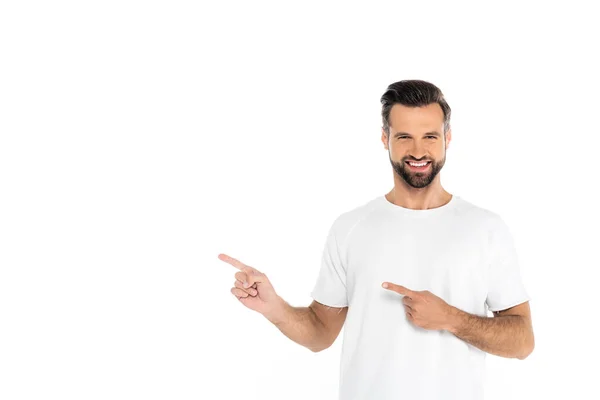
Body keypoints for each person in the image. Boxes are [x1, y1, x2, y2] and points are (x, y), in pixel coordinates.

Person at [218, 79, 535, 400]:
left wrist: (452, 319)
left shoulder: (485, 229)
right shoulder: (351, 227)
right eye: (403, 137)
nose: (417, 151)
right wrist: (273, 307)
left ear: (447, 138)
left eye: (430, 136)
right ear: (385, 138)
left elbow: (522, 340)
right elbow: (319, 333)